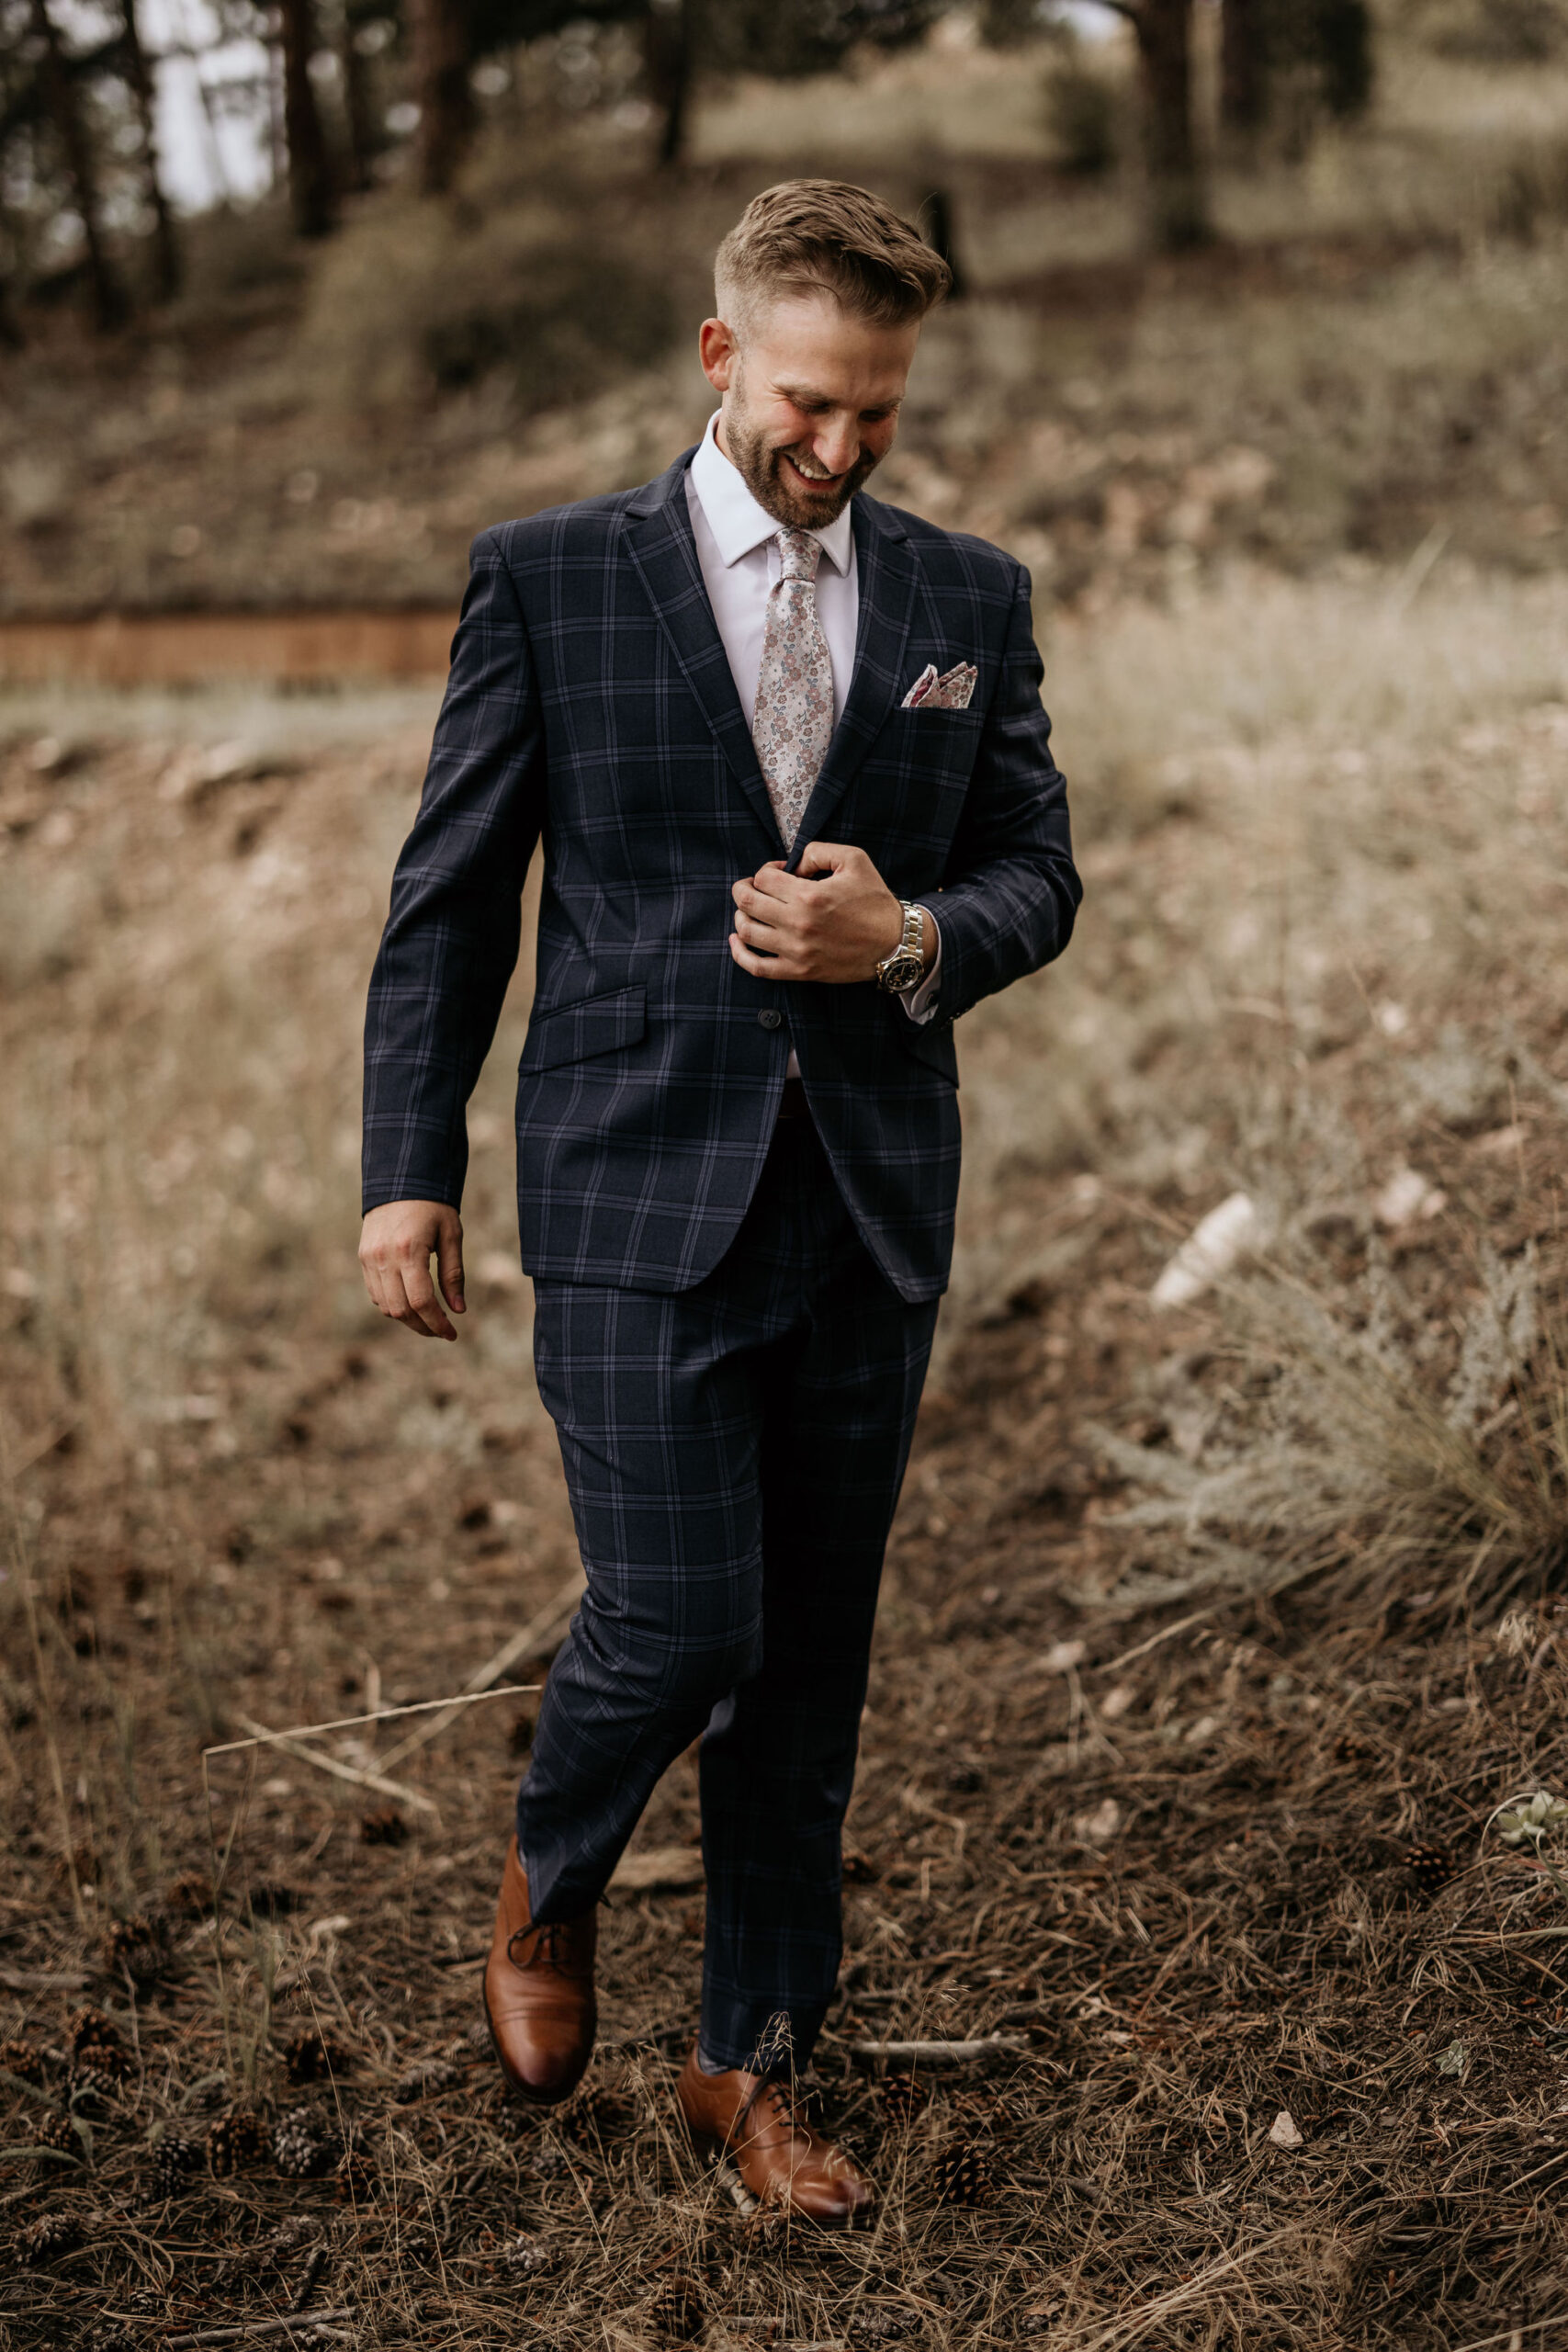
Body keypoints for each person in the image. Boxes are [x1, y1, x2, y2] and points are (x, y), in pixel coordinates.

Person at [358, 178, 1080, 2222]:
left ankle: (745, 2067)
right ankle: (548, 1869)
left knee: (808, 1674)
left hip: (862, 1202)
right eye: (805, 402)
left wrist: (912, 928)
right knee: (679, 1616)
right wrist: (404, 1170)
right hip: (625, 1189)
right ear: (717, 358)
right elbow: (449, 901)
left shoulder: (967, 596)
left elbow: (1038, 870)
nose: (839, 448)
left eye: (879, 412)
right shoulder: (548, 578)